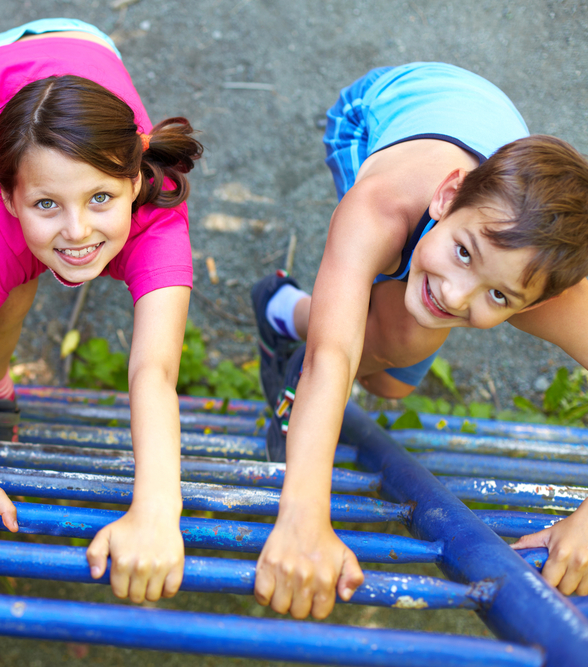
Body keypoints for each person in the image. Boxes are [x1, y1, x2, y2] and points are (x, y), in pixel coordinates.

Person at [250, 62, 588, 619]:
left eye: (499, 298)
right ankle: (288, 338)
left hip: (480, 131)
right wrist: (303, 515)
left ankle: (281, 310)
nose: (457, 296)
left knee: (388, 382)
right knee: (393, 334)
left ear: (542, 302)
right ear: (448, 196)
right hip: (383, 110)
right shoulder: (383, 205)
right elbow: (333, 357)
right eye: (462, 252)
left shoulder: (547, 283)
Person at [0, 18, 203, 604]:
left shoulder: (159, 217)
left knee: (24, 261)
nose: (78, 232)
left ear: (135, 178)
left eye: (100, 198)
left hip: (84, 43)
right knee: (8, 283)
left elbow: (154, 372)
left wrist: (158, 510)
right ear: (8, 196)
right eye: (46, 204)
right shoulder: (1, 220)